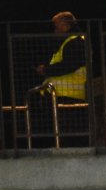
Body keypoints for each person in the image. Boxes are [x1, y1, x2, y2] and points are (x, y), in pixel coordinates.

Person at [25, 11, 87, 146]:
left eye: (57, 26)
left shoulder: (74, 41)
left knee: (70, 135)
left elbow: (69, 65)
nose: (55, 30)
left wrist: (46, 70)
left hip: (69, 95)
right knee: (67, 134)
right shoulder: (71, 41)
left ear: (65, 25)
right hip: (66, 95)